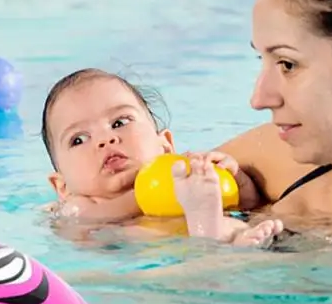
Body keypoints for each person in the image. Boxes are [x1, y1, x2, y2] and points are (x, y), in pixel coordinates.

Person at [41, 68, 283, 247]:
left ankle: (231, 235)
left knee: (235, 224)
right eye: (79, 139)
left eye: (119, 122)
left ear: (165, 146)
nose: (106, 139)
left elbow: (249, 205)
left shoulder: (182, 174)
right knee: (141, 232)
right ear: (61, 186)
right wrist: (185, 191)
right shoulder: (78, 205)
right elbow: (85, 220)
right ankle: (210, 229)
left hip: (195, 236)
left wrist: (234, 180)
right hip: (143, 249)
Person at [216, 0, 332, 228]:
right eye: (262, 60)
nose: (260, 99)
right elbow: (112, 199)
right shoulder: (277, 159)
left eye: (287, 64)